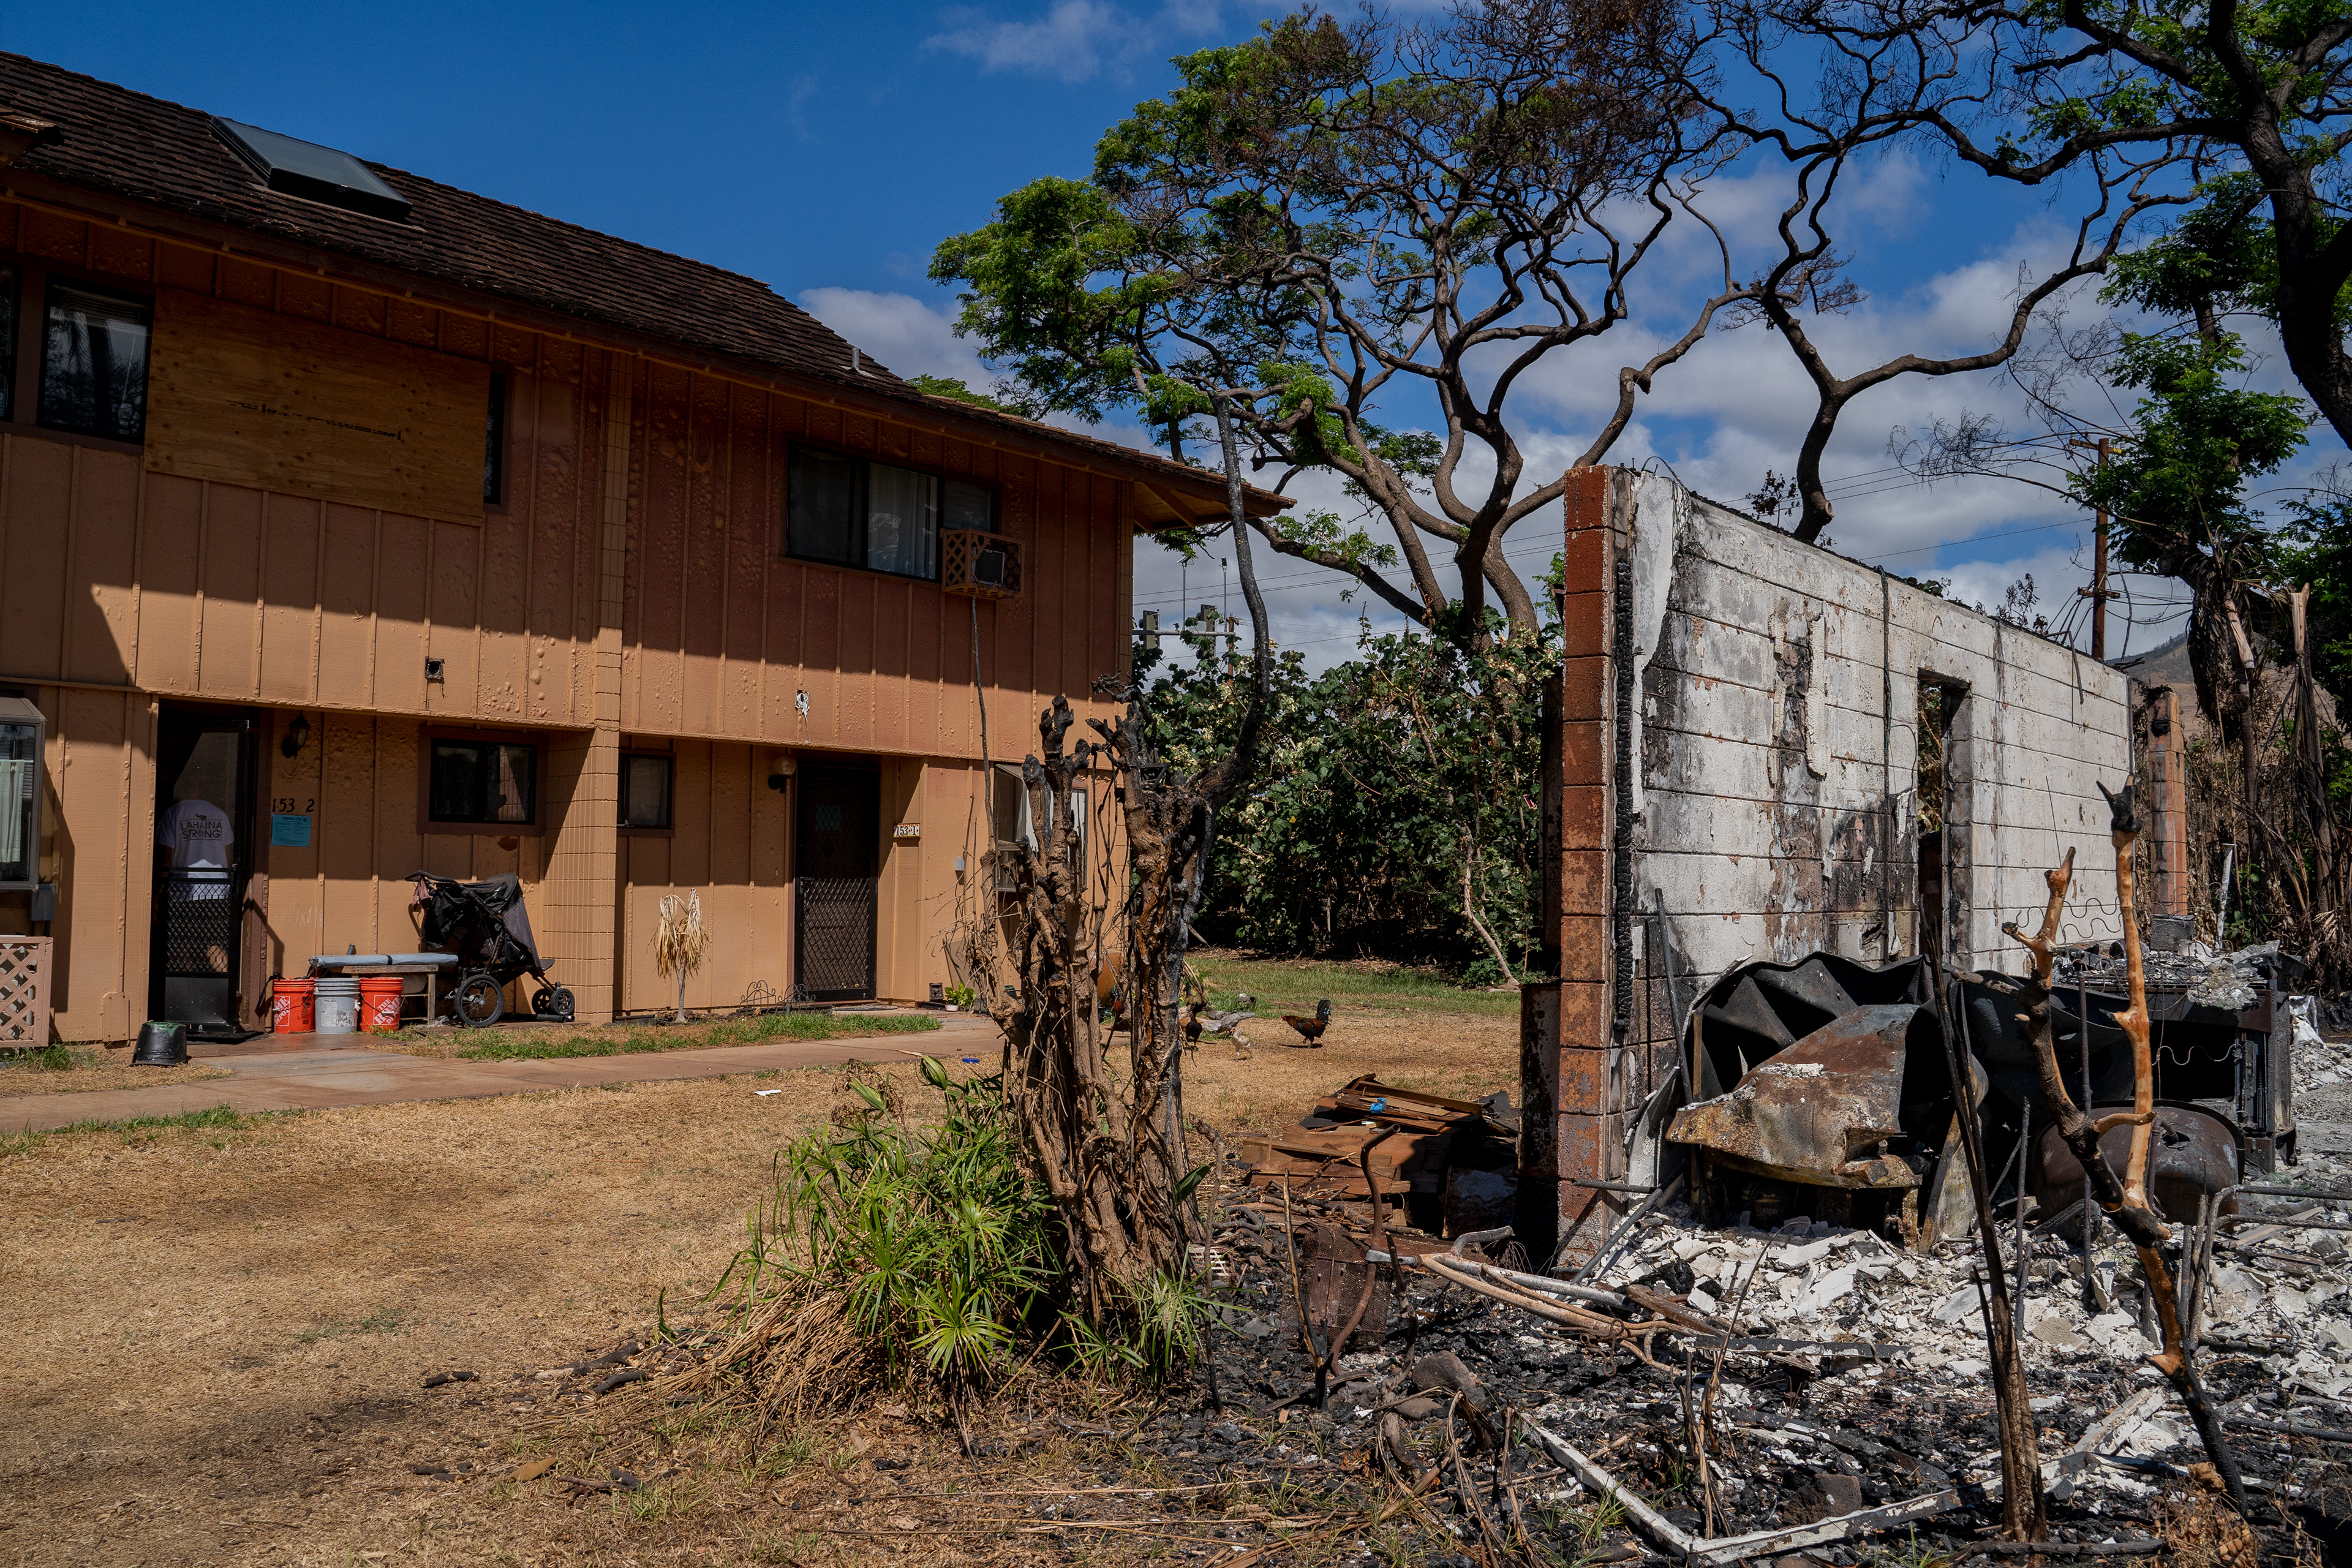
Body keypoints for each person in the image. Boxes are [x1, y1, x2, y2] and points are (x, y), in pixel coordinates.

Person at [157, 780, 233, 897]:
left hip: (184, 891)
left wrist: (157, 894)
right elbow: (228, 857)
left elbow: (166, 861)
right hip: (218, 890)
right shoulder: (220, 815)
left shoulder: (173, 813)